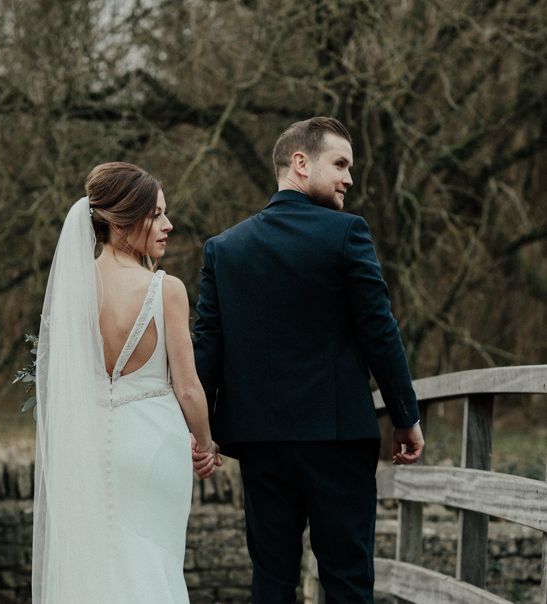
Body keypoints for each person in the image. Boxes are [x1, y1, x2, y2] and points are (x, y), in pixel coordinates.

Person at [192, 117, 425, 603]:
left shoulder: (224, 249)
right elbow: (379, 330)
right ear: (300, 163)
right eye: (340, 164)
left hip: (260, 443)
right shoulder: (347, 234)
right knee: (346, 579)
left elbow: (205, 350)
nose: (349, 178)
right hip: (337, 439)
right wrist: (405, 417)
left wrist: (199, 433)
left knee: (272, 580)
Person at [33, 161, 220, 603]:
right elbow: (189, 387)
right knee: (154, 561)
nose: (168, 224)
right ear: (120, 221)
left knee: (94, 564)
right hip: (155, 445)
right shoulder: (164, 289)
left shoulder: (72, 289)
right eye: (155, 214)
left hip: (87, 445)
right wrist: (206, 443)